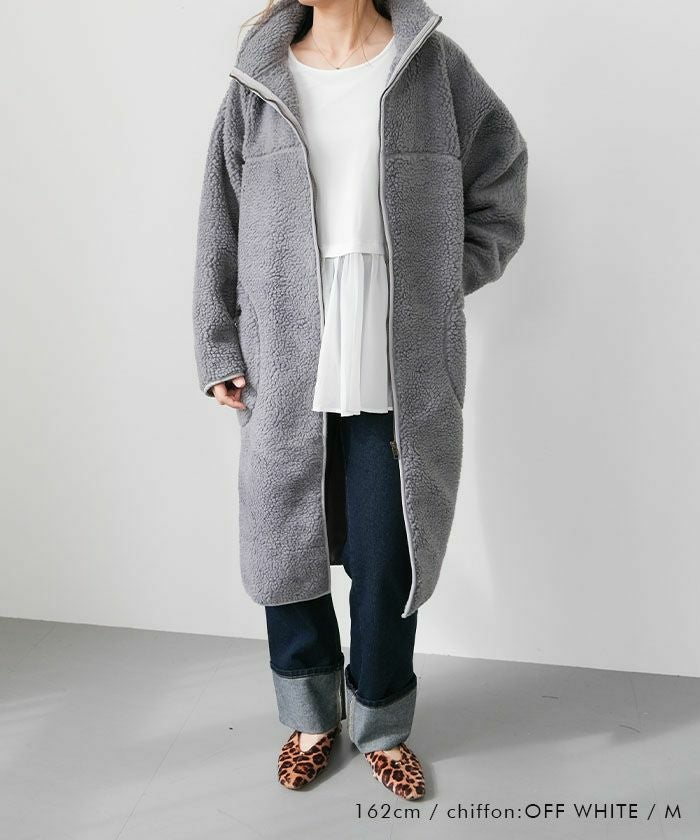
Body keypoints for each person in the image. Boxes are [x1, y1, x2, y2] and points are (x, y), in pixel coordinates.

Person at [192, 0, 528, 800]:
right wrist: (218, 344)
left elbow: (502, 172)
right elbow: (219, 221)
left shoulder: (432, 66)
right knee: (285, 543)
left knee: (389, 551)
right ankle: (310, 718)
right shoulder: (258, 79)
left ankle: (381, 721)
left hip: (396, 348)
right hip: (285, 347)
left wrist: (444, 276)